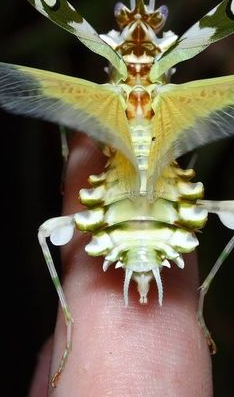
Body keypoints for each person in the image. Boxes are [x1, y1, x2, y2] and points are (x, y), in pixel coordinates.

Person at [28, 133, 213, 396]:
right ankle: (71, 327)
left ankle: (72, 328)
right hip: (153, 204)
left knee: (45, 233)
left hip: (131, 214)